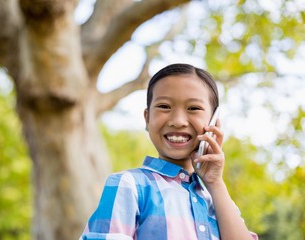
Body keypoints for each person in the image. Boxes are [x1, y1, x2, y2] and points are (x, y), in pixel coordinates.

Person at [80, 63, 258, 240]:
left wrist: (215, 183)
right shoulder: (129, 185)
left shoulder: (218, 199)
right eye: (164, 106)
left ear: (214, 122)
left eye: (193, 108)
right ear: (147, 118)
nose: (178, 121)